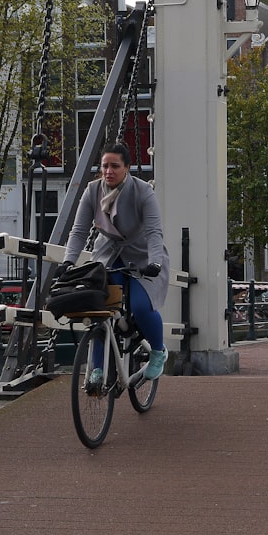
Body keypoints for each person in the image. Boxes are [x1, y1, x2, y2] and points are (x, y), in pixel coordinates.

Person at [59, 143, 170, 380]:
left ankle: (158, 352)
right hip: (108, 256)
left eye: (115, 166)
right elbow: (78, 231)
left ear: (127, 168)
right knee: (100, 310)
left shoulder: (143, 192)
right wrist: (68, 261)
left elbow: (153, 232)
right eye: (105, 166)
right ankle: (97, 369)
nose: (108, 171)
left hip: (142, 256)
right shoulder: (92, 191)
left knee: (141, 306)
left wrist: (156, 263)